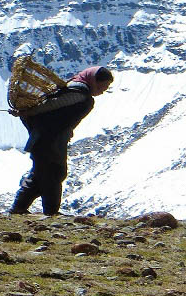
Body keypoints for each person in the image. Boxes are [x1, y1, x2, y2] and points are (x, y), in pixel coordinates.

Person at [10, 65, 113, 215]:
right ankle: (50, 212)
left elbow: (59, 112)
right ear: (94, 80)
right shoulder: (80, 93)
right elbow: (53, 104)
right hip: (49, 139)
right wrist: (28, 112)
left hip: (45, 138)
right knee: (53, 172)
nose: (103, 91)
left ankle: (20, 208)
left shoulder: (77, 89)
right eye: (103, 86)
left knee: (42, 173)